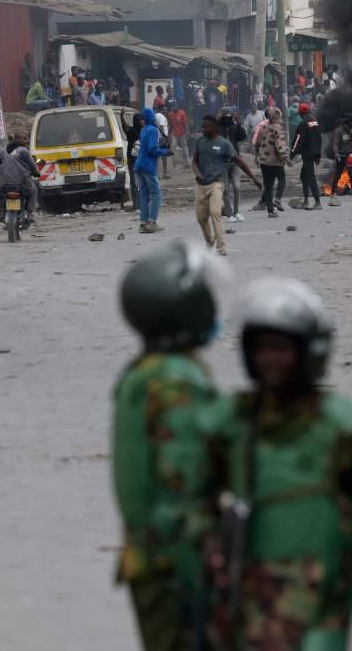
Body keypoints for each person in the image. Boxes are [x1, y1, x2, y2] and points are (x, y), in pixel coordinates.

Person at [198, 276, 352, 650]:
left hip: (324, 596)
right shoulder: (229, 423)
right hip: (251, 596)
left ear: (309, 351)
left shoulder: (345, 426)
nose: (271, 359)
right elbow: (196, 501)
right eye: (262, 349)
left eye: (282, 348)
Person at [112, 240, 232, 651]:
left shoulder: (143, 371)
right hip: (174, 562)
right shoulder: (177, 380)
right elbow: (182, 488)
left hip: (147, 555)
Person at [192, 116, 260, 256]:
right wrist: (198, 174)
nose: (203, 129)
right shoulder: (200, 142)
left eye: (206, 127)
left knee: (215, 213)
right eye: (202, 127)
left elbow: (239, 162)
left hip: (217, 183)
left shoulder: (224, 144)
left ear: (214, 128)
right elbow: (194, 161)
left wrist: (254, 178)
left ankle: (221, 247)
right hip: (201, 185)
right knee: (201, 217)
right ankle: (210, 240)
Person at [134, 108, 172, 233]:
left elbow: (147, 147)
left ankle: (143, 223)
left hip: (138, 165)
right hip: (148, 166)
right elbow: (151, 149)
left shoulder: (144, 130)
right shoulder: (153, 130)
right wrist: (165, 152)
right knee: (156, 194)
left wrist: (161, 147)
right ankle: (152, 222)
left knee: (144, 195)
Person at [254, 107, 291, 218]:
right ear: (276, 116)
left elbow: (257, 143)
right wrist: (286, 158)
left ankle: (270, 210)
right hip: (276, 161)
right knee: (282, 180)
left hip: (264, 161)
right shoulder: (278, 128)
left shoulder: (263, 127)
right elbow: (280, 145)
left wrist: (257, 156)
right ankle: (278, 200)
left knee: (268, 185)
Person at [291, 102, 323, 210]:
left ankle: (318, 202)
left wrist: (292, 153)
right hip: (314, 153)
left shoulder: (303, 123)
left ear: (300, 114)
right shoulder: (315, 122)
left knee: (311, 177)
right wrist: (318, 155)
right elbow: (319, 139)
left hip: (307, 154)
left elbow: (297, 140)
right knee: (304, 176)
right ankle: (305, 201)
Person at [218, 107, 248, 222]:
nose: (227, 118)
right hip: (222, 162)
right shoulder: (218, 127)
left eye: (229, 116)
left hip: (235, 161)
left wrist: (239, 124)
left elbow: (242, 137)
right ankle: (229, 214)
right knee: (225, 189)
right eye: (225, 116)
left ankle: (237, 212)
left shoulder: (235, 126)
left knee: (237, 186)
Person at [329, 113, 352, 205]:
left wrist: (350, 131)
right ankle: (333, 192)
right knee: (338, 174)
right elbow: (335, 143)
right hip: (341, 155)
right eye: (350, 122)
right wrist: (336, 153)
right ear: (346, 122)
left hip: (350, 155)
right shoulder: (339, 131)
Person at [125, 112, 142, 209]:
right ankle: (137, 204)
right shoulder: (133, 131)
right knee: (135, 183)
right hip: (133, 161)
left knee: (137, 183)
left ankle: (139, 204)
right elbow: (125, 128)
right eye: (141, 120)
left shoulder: (143, 131)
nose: (142, 121)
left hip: (138, 160)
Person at [167, 101, 190, 169]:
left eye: (175, 105)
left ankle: (187, 164)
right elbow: (170, 125)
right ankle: (174, 164)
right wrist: (168, 134)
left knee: (184, 148)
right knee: (173, 148)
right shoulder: (170, 114)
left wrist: (187, 132)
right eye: (173, 106)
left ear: (178, 106)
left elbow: (185, 124)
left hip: (182, 133)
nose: (174, 107)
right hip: (174, 133)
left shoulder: (182, 113)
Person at [154, 105, 171, 179]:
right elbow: (161, 127)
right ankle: (164, 174)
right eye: (164, 110)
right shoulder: (161, 116)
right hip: (161, 139)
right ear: (160, 110)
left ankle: (157, 174)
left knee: (157, 158)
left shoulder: (156, 115)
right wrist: (164, 137)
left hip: (158, 138)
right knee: (163, 157)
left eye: (166, 109)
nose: (165, 111)